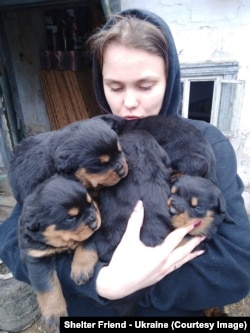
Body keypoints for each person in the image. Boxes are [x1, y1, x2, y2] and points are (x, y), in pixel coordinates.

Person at [1, 8, 250, 317]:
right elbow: (14, 241)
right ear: (98, 82)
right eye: (115, 86)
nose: (129, 102)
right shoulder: (90, 140)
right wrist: (100, 284)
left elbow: (237, 267)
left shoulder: (201, 145)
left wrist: (134, 287)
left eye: (145, 86)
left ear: (170, 79)